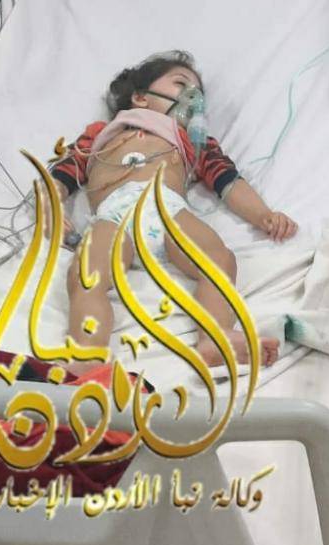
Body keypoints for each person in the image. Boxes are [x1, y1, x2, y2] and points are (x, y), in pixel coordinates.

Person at [50, 51, 296, 368]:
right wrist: (52, 210)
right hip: (114, 215)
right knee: (86, 274)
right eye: (181, 84)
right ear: (140, 98)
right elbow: (61, 175)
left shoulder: (193, 140)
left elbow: (228, 181)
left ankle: (214, 338)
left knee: (219, 260)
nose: (193, 97)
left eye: (198, 93)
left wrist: (264, 215)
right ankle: (87, 352)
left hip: (167, 209)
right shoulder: (103, 132)